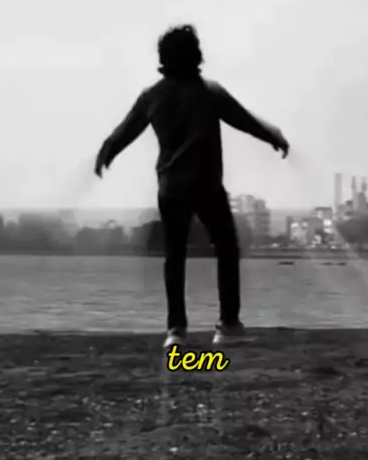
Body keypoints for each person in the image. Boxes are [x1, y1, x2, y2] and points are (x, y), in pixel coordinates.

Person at [94, 24, 289, 349]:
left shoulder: (152, 96)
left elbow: (124, 132)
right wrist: (273, 136)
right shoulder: (209, 92)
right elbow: (244, 120)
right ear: (196, 55)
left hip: (171, 187)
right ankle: (228, 326)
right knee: (226, 248)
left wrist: (107, 154)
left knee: (175, 256)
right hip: (206, 184)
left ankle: (176, 331)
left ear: (164, 58)